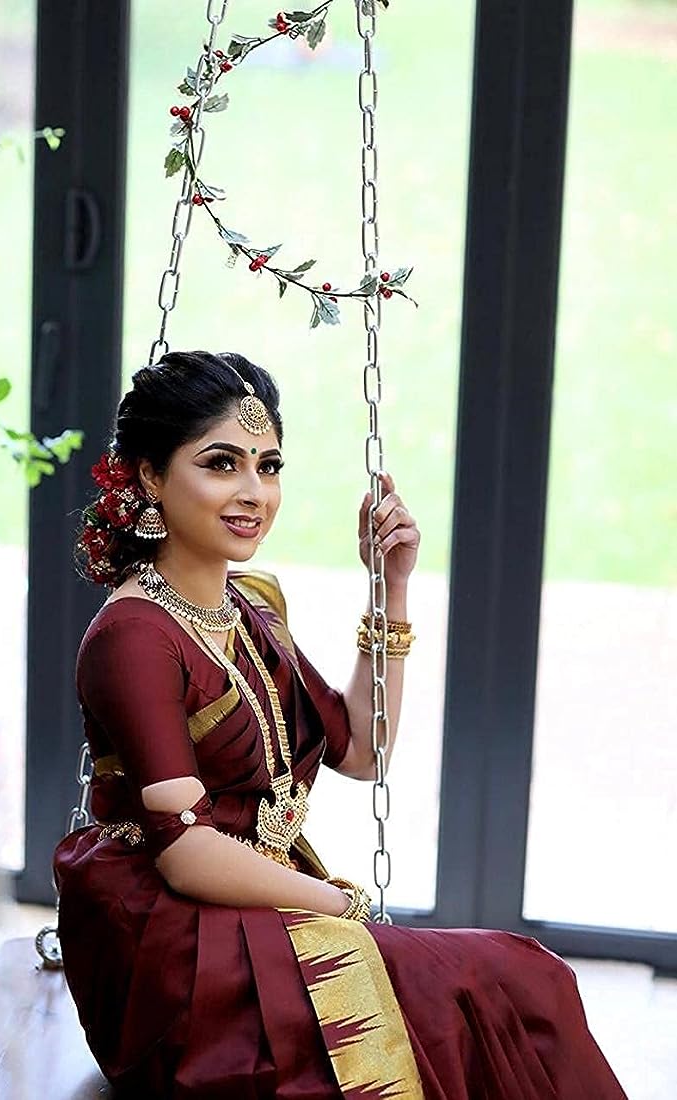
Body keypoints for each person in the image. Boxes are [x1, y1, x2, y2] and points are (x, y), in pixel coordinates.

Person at [54, 350, 626, 1099]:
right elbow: (186, 852)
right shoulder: (135, 636)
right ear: (151, 477)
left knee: (519, 982)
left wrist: (389, 585)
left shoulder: (246, 607)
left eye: (268, 465)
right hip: (171, 942)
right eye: (221, 464)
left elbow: (360, 749)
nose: (252, 493)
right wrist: (345, 907)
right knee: (496, 984)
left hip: (256, 905)